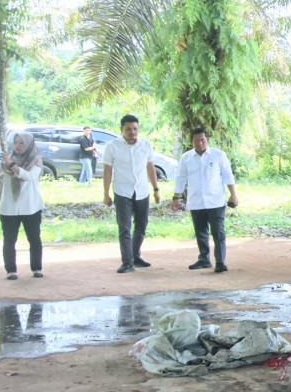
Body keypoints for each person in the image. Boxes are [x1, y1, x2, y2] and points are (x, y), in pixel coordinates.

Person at [171, 127, 239, 272]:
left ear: (207, 140)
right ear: (191, 141)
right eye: (196, 140)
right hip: (196, 201)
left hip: (216, 201)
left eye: (202, 140)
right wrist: (176, 198)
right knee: (201, 232)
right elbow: (180, 178)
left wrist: (233, 194)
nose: (200, 143)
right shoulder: (186, 158)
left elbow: (228, 175)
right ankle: (204, 259)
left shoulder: (218, 155)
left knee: (218, 232)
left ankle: (220, 262)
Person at [102, 115, 159, 274]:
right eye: (128, 129)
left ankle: (135, 255)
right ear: (121, 129)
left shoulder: (146, 145)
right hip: (122, 191)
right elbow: (107, 171)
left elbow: (150, 167)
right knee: (124, 228)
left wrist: (156, 189)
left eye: (135, 129)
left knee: (141, 226)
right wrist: (106, 194)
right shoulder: (112, 146)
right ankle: (127, 262)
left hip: (142, 191)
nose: (132, 132)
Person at [0, 132, 45, 279]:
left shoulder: (36, 161)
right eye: (16, 143)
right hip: (9, 208)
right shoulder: (7, 160)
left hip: (30, 207)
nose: (18, 146)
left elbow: (28, 176)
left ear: (29, 144)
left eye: (22, 143)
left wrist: (11, 164)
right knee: (9, 239)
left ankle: (36, 268)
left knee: (34, 238)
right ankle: (11, 270)